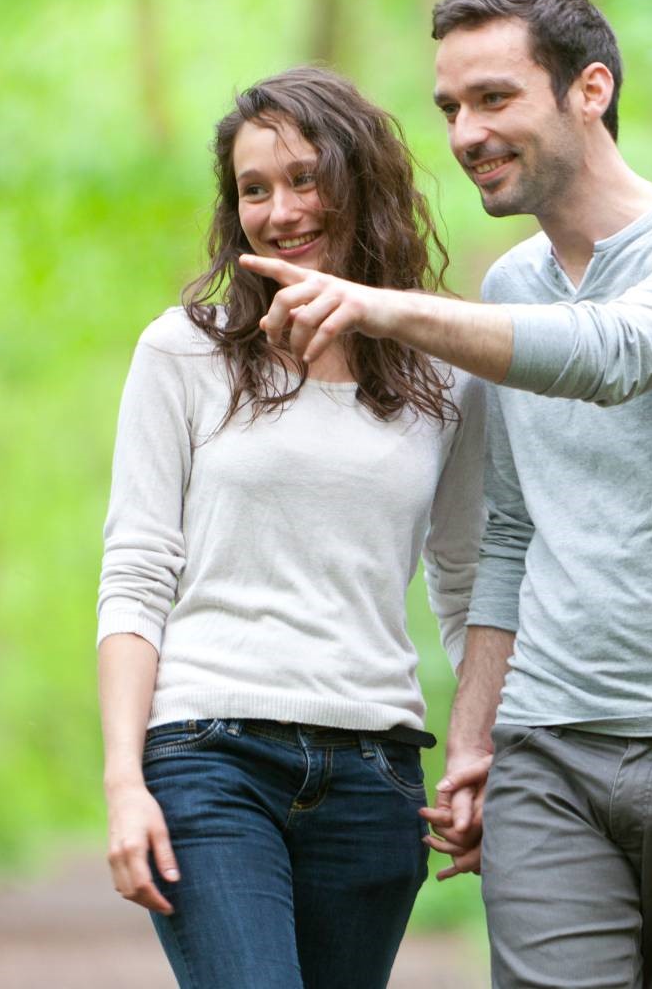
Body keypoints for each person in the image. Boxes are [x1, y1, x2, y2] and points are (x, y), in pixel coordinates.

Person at [243, 0, 652, 988]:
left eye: (495, 99)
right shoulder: (511, 289)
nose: (467, 133)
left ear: (589, 89)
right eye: (451, 108)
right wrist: (475, 741)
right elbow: (508, 530)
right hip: (551, 752)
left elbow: (613, 353)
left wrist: (382, 309)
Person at [95, 67, 485, 989]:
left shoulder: (444, 371)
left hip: (375, 772)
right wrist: (124, 780)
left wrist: (477, 749)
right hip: (209, 757)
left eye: (305, 179)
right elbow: (137, 573)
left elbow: (471, 578)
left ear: (363, 183)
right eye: (254, 189)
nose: (281, 210)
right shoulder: (185, 351)